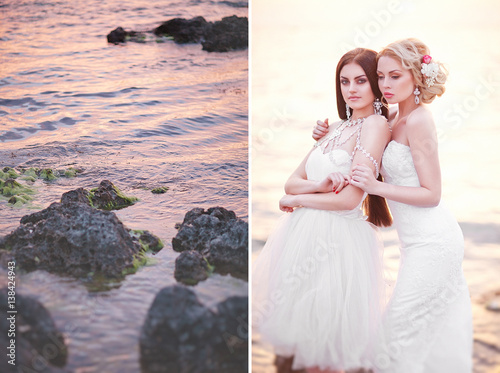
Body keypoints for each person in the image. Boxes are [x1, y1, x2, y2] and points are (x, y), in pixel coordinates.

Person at [313, 38, 473, 372]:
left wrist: (376, 187)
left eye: (395, 76)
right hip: (413, 244)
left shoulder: (419, 121)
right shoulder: (394, 116)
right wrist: (325, 135)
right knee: (412, 337)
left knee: (395, 334)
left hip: (435, 242)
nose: (385, 85)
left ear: (415, 77)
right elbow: (362, 136)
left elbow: (432, 194)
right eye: (381, 77)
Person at [252, 48, 392, 373]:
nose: (352, 89)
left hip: (337, 243)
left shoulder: (375, 126)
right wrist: (318, 185)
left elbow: (348, 200)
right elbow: (291, 182)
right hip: (301, 238)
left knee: (328, 348)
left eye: (361, 80)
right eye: (345, 81)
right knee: (304, 346)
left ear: (375, 83)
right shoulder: (334, 128)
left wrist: (298, 201)